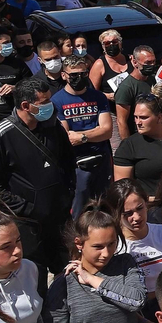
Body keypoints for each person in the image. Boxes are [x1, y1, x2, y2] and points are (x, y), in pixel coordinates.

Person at [0, 78, 78, 283]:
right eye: (44, 102)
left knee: (69, 274)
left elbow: (68, 162)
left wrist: (67, 194)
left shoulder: (53, 125)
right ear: (26, 106)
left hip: (59, 219)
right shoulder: (1, 135)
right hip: (27, 225)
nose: (50, 106)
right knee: (34, 278)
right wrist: (27, 208)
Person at [54, 54, 116, 218]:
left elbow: (107, 130)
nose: (79, 78)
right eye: (74, 75)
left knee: (104, 207)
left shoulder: (98, 97)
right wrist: (94, 132)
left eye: (83, 73)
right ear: (64, 75)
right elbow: (67, 138)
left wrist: (82, 136)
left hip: (101, 159)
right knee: (79, 211)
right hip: (77, 164)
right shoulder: (57, 101)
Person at [107, 179, 162, 299]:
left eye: (140, 208)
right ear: (115, 214)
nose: (137, 217)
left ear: (146, 203)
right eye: (128, 214)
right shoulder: (113, 245)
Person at [113, 46, 161, 140]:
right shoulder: (126, 87)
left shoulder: (152, 79)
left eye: (153, 62)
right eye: (148, 63)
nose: (152, 65)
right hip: (138, 137)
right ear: (135, 63)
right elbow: (121, 121)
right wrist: (128, 144)